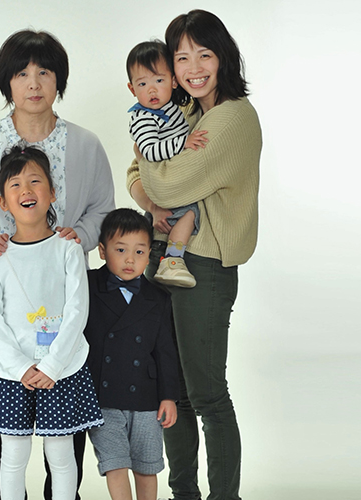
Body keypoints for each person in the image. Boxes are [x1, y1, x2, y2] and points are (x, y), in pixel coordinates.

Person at [0, 29, 115, 500]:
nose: (33, 83)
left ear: (59, 80)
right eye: (21, 73)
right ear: (7, 82)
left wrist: (82, 235)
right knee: (1, 419)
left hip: (62, 307)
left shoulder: (85, 144)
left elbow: (102, 207)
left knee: (64, 421)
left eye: (44, 72)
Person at [126, 10, 261, 500]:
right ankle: (184, 494)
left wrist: (153, 180)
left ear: (223, 56)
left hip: (204, 265)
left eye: (204, 54)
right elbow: (136, 172)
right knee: (174, 391)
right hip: (164, 257)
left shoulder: (231, 118)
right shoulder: (187, 113)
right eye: (181, 58)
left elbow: (165, 179)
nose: (193, 68)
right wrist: (150, 199)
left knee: (207, 395)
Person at [0, 146, 103, 500]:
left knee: (61, 455)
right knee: (13, 456)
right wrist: (20, 367)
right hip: (12, 372)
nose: (26, 190)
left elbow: (77, 310)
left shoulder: (68, 248)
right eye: (15, 184)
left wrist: (52, 366)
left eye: (35, 181)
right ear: (3, 201)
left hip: (61, 369)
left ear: (52, 193)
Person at [84, 208, 179, 500]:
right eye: (121, 250)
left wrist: (169, 397)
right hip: (102, 396)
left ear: (149, 254)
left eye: (139, 251)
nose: (130, 259)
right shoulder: (87, 286)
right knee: (115, 464)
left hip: (147, 399)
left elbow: (166, 352)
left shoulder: (159, 297)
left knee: (146, 466)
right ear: (102, 251)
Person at [125, 41, 207, 288]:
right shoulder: (144, 118)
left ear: (173, 81)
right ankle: (172, 259)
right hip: (165, 189)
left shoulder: (171, 108)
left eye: (159, 81)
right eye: (142, 84)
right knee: (190, 213)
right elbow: (149, 152)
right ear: (132, 89)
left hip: (173, 183)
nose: (152, 90)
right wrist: (184, 143)